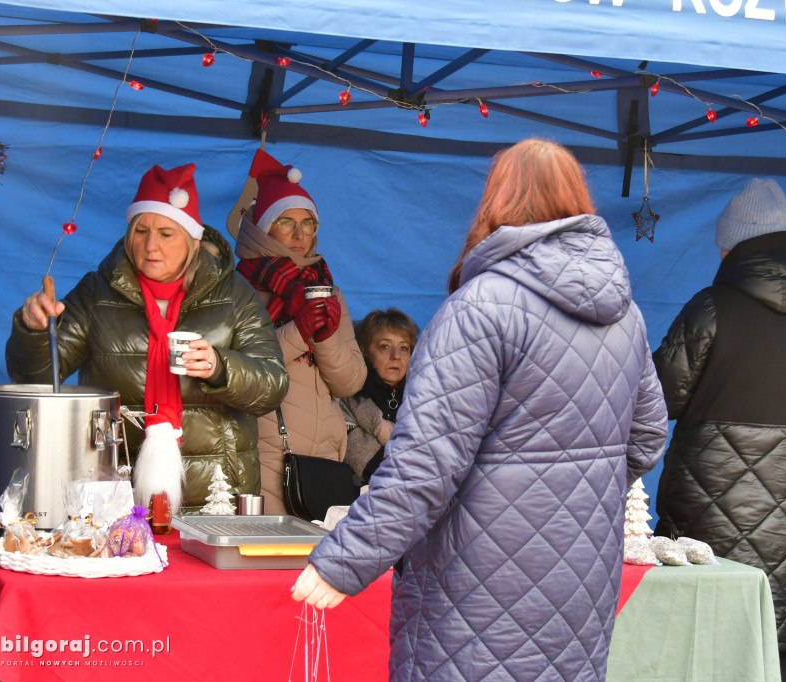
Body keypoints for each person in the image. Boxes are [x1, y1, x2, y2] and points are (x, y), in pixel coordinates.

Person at [292, 138, 669, 682]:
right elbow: (648, 437)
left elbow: (425, 465)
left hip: (474, 584)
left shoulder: (477, 310)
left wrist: (342, 562)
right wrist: (567, 495)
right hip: (580, 582)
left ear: (497, 203)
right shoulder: (625, 317)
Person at [651, 177, 786, 681]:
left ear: (732, 247)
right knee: (767, 649)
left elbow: (657, 397)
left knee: (691, 646)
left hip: (701, 517)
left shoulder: (712, 307)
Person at [7, 163, 288, 513]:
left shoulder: (233, 294)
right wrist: (35, 332)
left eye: (166, 234)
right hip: (112, 493)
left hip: (216, 496)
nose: (150, 245)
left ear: (192, 240)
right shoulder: (98, 293)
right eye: (140, 231)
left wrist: (220, 367)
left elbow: (273, 385)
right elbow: (34, 378)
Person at [230, 150, 366, 515]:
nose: (299, 233)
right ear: (263, 227)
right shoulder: (237, 287)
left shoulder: (327, 288)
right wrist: (298, 331)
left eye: (308, 223)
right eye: (286, 222)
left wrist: (325, 337)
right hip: (269, 452)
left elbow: (350, 383)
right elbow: (239, 370)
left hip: (326, 457)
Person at [341, 309, 420, 485]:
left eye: (404, 348)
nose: (396, 356)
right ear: (365, 350)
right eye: (385, 346)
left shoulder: (422, 399)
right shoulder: (346, 395)